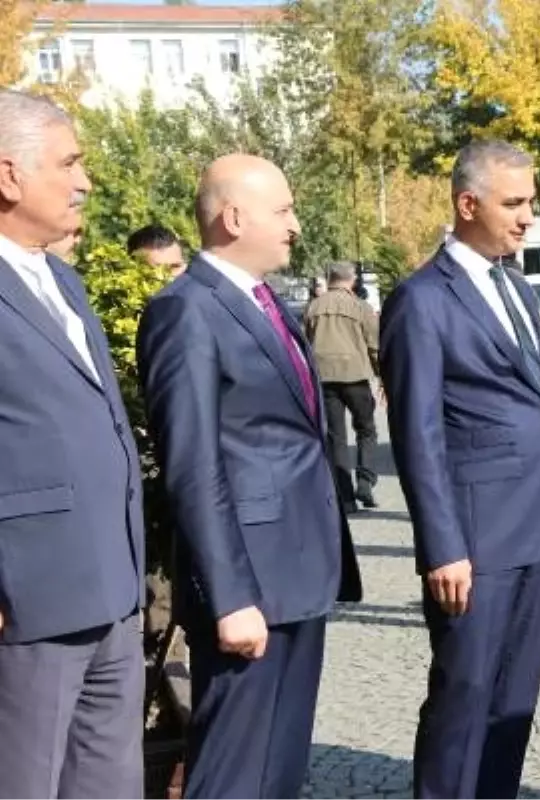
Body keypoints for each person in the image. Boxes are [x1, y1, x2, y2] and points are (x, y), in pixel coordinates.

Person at [137, 154, 363, 799]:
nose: (295, 225)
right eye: (283, 210)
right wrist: (232, 596)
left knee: (280, 769)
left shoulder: (269, 304)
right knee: (236, 773)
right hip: (249, 585)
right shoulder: (187, 311)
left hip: (296, 570)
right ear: (234, 217)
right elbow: (192, 463)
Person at [379, 139, 540, 800]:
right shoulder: (422, 299)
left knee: (512, 707)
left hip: (534, 535)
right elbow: (418, 433)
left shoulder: (518, 288)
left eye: (531, 201)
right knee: (462, 702)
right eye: (513, 202)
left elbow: (539, 410)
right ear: (468, 204)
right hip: (473, 543)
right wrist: (442, 546)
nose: (528, 216)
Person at [0, 90, 146, 799]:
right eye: (69, 163)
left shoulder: (61, 277)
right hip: (28, 598)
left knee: (108, 782)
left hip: (111, 585)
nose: (85, 180)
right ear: (8, 176)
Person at [305, 260, 382, 513]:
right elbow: (374, 345)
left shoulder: (313, 307)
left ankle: (345, 497)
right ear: (352, 280)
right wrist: (383, 377)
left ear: (329, 279)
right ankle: (365, 481)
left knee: (336, 437)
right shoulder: (360, 307)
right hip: (356, 376)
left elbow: (303, 345)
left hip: (324, 378)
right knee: (366, 430)